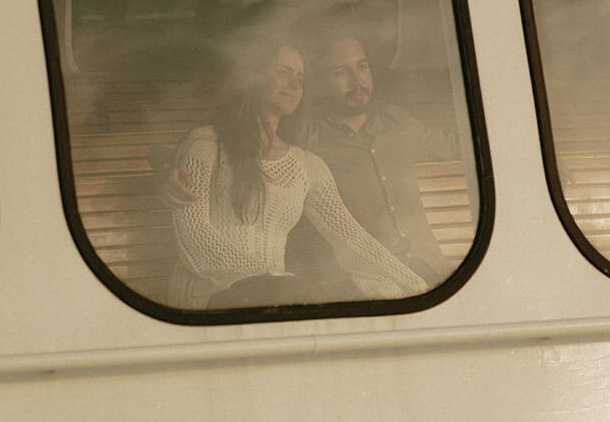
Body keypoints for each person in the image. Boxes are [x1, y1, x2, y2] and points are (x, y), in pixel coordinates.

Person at [162, 28, 456, 294]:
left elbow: (351, 238)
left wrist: (419, 287)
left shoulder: (314, 161)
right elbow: (197, 232)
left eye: (300, 78)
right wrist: (164, 170)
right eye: (283, 72)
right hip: (231, 295)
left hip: (289, 294)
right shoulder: (221, 142)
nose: (293, 84)